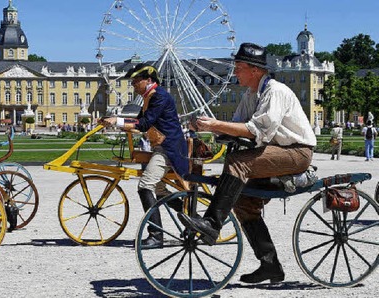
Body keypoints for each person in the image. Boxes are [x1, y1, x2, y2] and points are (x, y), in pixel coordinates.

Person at [177, 42, 317, 284]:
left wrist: (214, 124)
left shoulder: (276, 92)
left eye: (239, 67)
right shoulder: (251, 95)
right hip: (275, 151)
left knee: (237, 162)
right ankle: (270, 265)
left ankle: (212, 223)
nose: (235, 72)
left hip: (296, 152)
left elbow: (255, 131)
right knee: (243, 202)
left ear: (254, 69)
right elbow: (235, 129)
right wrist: (202, 127)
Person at [101, 63, 189, 249]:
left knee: (145, 186)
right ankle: (192, 220)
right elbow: (140, 120)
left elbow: (143, 124)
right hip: (162, 146)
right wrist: (116, 121)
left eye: (136, 81)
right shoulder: (150, 96)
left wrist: (116, 121)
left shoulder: (159, 96)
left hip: (168, 148)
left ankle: (156, 235)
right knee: (160, 191)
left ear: (148, 80)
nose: (133, 84)